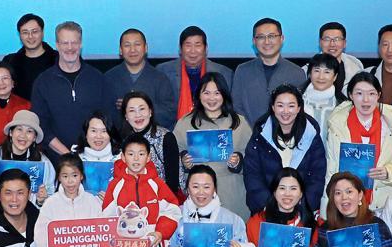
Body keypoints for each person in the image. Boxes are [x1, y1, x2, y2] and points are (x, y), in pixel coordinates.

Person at [324, 72, 392, 210]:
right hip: (345, 204)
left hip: (383, 203)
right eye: (359, 93)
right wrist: (327, 208)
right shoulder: (338, 125)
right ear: (350, 95)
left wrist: (389, 172)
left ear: (378, 95)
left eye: (371, 94)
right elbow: (331, 170)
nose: (366, 100)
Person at [71, 112, 122, 247]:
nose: (98, 136)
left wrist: (113, 199)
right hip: (87, 226)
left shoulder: (121, 159)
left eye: (104, 131)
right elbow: (62, 192)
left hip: (117, 225)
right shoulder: (75, 158)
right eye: (93, 131)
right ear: (86, 133)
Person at [243, 84, 328, 217]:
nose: (285, 111)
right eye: (280, 105)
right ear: (273, 107)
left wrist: (304, 207)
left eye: (291, 106)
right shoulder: (261, 134)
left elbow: (318, 175)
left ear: (299, 108)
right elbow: (252, 174)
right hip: (266, 211)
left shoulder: (311, 134)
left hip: (302, 213)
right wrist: (268, 206)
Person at [175, 73, 251, 219]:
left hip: (231, 194)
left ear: (224, 95)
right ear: (199, 95)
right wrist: (184, 162)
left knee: (230, 231)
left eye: (217, 93)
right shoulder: (185, 123)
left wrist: (238, 161)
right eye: (206, 93)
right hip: (198, 196)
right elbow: (173, 155)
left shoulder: (239, 123)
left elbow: (253, 158)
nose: (211, 98)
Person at [30, 21, 111, 156]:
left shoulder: (98, 79)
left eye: (74, 42)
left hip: (94, 157)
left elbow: (109, 118)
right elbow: (40, 124)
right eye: (65, 43)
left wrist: (89, 154)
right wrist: (67, 155)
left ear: (81, 44)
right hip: (56, 158)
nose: (70, 47)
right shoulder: (43, 82)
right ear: (57, 45)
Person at [0, 110, 55, 217]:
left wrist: (41, 201)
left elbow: (51, 198)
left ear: (34, 137)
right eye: (19, 129)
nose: (23, 135)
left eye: (29, 131)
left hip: (29, 219)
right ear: (11, 133)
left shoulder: (43, 163)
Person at [232, 18, 306, 128]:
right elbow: (237, 107)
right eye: (261, 37)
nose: (266, 42)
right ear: (254, 41)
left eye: (271, 36)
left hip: (286, 136)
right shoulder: (242, 71)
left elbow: (299, 111)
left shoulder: (296, 73)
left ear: (282, 38)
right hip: (248, 135)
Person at [156, 25, 234, 123]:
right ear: (180, 48)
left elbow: (228, 108)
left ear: (205, 48)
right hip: (174, 128)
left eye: (197, 45)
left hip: (213, 127)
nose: (193, 51)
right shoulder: (163, 71)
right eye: (188, 45)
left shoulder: (223, 73)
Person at [104, 28, 177, 128]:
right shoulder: (109, 78)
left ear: (145, 48)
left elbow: (170, 114)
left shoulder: (160, 78)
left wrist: (144, 107)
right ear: (120, 50)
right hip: (119, 136)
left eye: (137, 44)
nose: (132, 50)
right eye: (127, 45)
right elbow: (103, 113)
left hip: (153, 135)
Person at [120, 91, 182, 196]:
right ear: (126, 116)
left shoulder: (166, 137)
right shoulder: (123, 139)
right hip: (130, 198)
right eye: (132, 111)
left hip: (162, 198)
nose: (138, 115)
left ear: (150, 112)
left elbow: (173, 183)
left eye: (142, 109)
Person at [3, 13, 58, 101]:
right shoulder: (10, 62)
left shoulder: (58, 59)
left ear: (42, 33)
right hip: (20, 109)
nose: (30, 36)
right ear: (20, 35)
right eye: (25, 32)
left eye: (35, 31)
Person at [302, 53, 345, 130]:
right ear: (310, 74)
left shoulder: (343, 105)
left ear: (335, 77)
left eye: (327, 72)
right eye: (317, 71)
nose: (321, 77)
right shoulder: (296, 99)